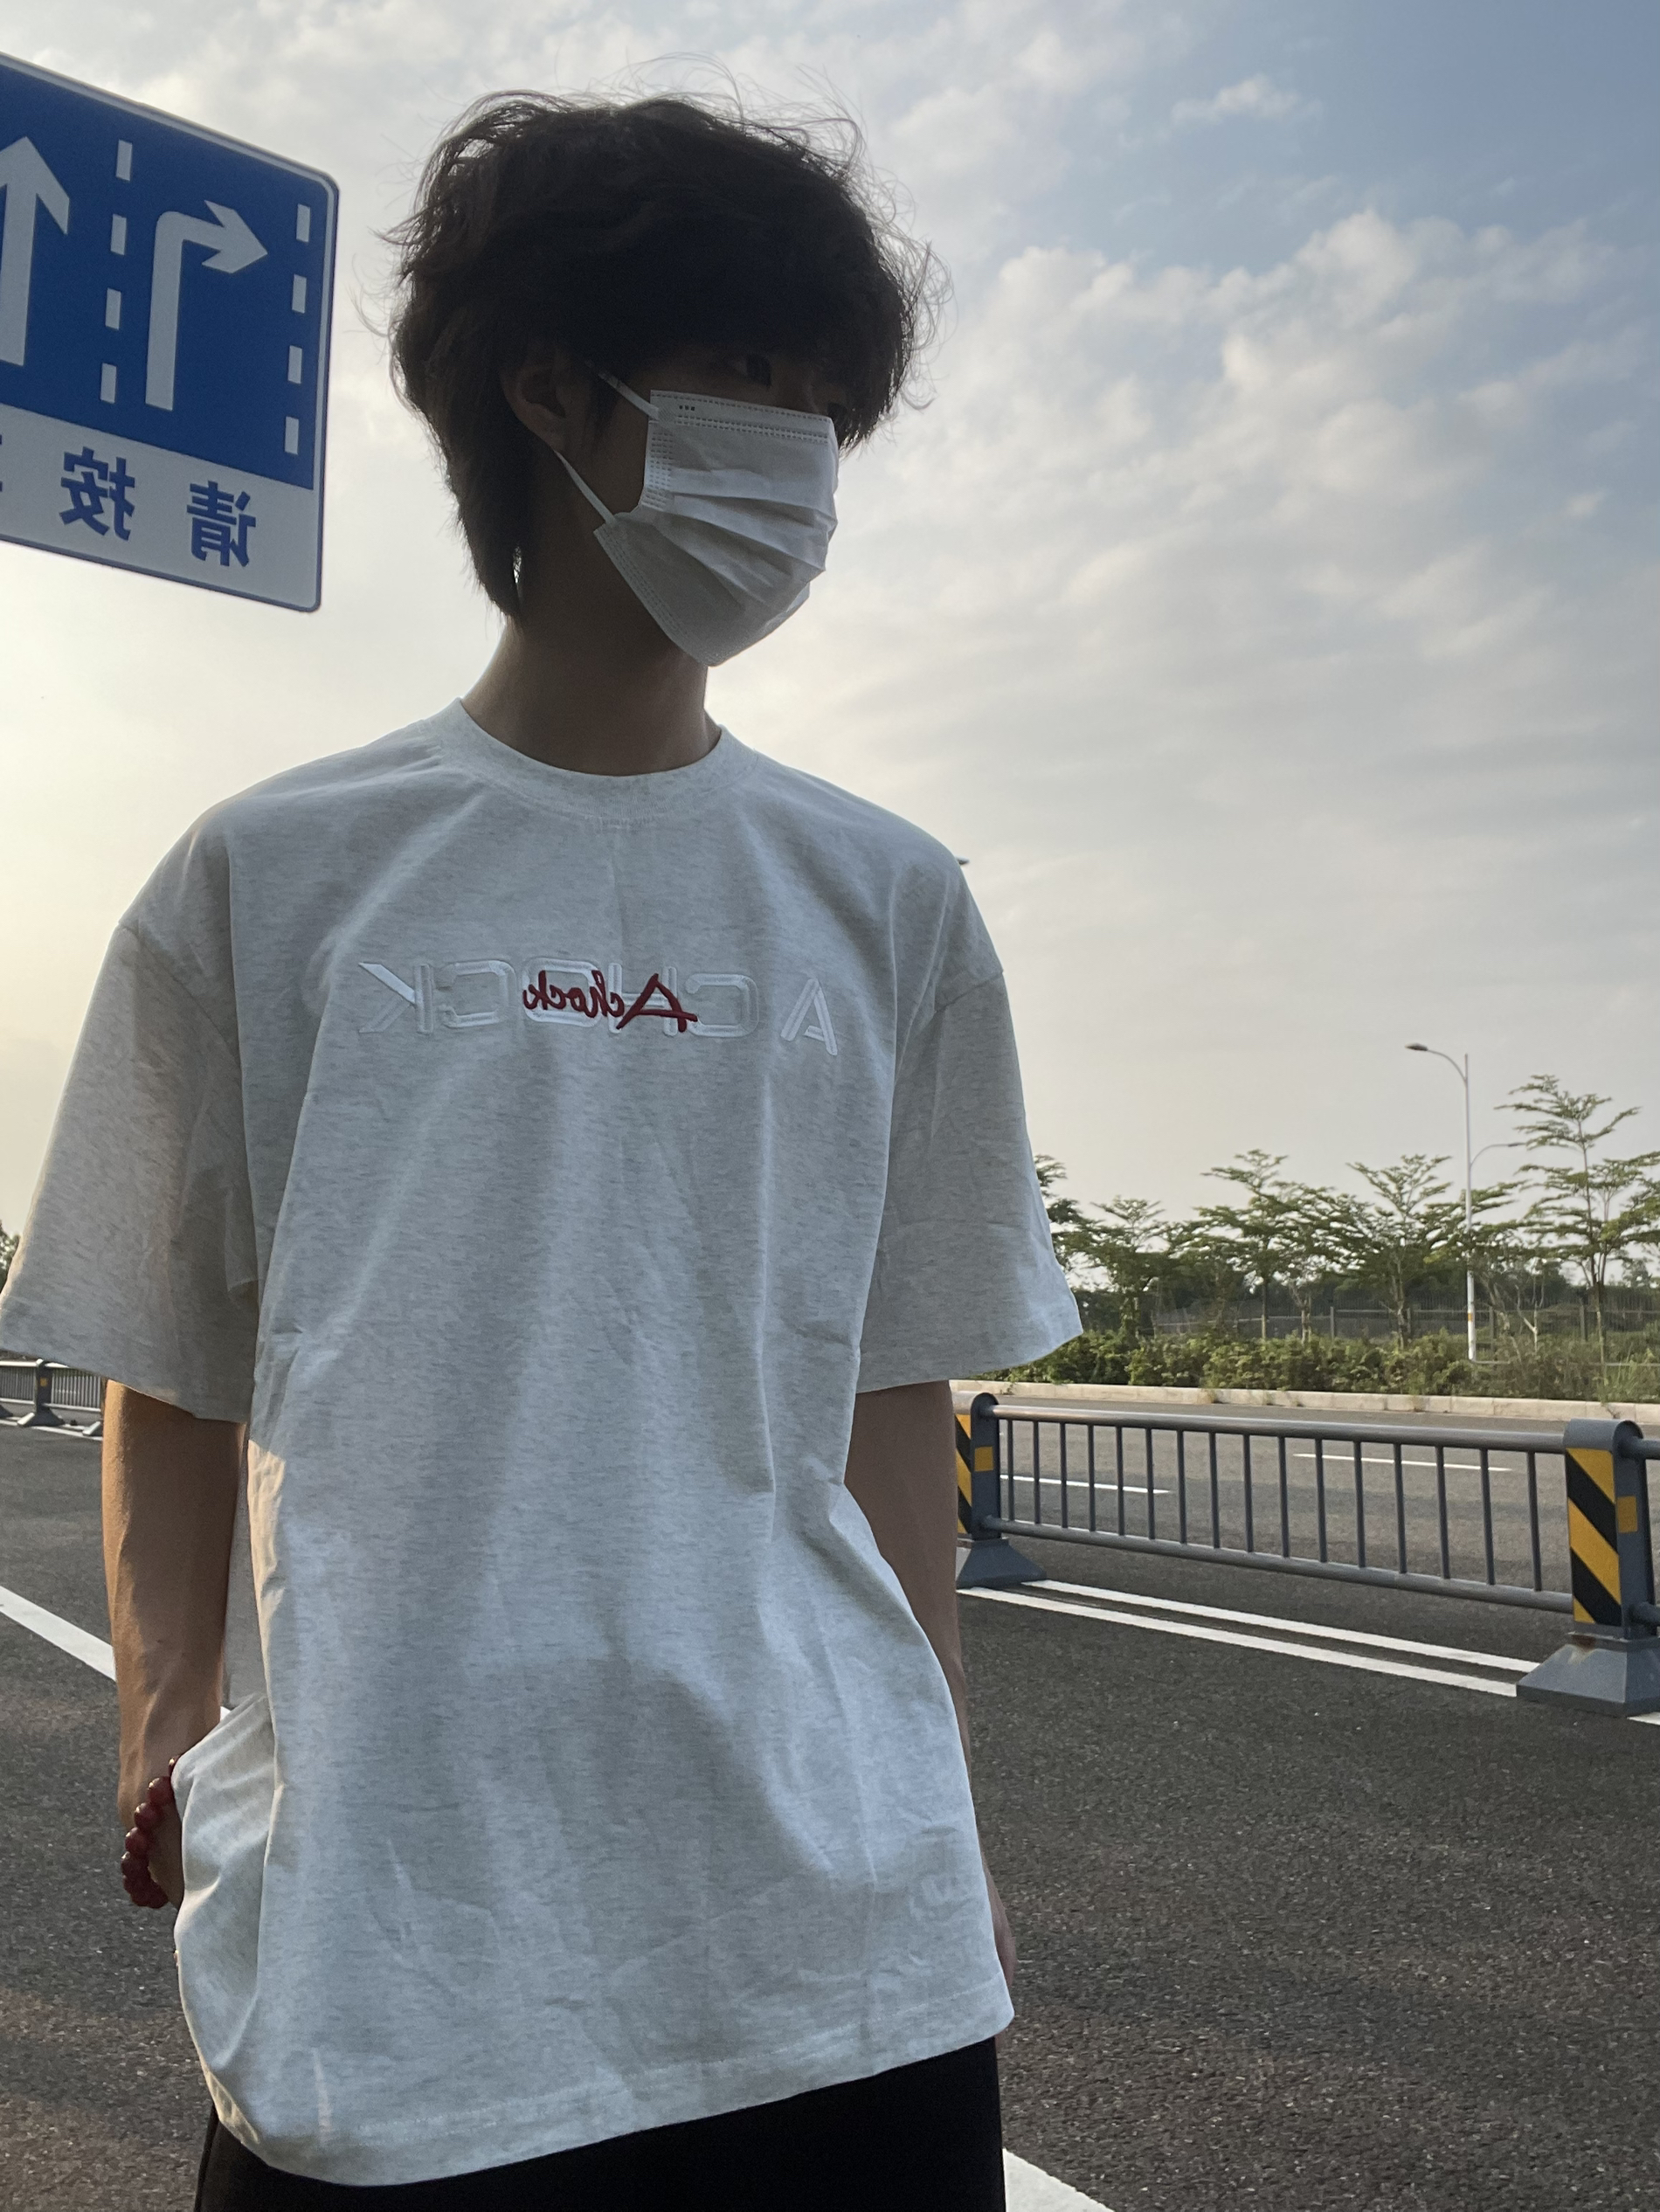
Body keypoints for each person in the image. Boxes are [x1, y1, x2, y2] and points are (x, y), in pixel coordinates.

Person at [0, 90, 1077, 2210]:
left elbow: (892, 1393)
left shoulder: (886, 903)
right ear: (550, 390)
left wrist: (935, 1807)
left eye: (828, 414)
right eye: (750, 378)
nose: (800, 462)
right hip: (396, 1933)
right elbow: (171, 1355)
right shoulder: (276, 877)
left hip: (832, 1939)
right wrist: (164, 1715)